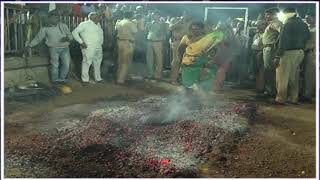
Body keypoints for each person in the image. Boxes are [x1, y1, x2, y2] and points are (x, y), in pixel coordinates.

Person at [274, 7, 310, 105]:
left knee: (283, 76)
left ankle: (280, 99)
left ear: (287, 14)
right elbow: (308, 37)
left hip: (288, 52)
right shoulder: (303, 24)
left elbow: (282, 41)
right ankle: (294, 98)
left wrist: (278, 56)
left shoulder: (287, 24)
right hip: (300, 52)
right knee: (294, 76)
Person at [26, 10, 73, 83]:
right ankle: (55, 80)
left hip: (65, 48)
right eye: (53, 17)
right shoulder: (45, 28)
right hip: (53, 48)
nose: (56, 19)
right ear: (49, 18)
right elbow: (38, 38)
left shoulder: (63, 26)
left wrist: (68, 38)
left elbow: (70, 35)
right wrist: (30, 45)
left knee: (66, 65)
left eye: (57, 17)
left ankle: (61, 78)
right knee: (55, 65)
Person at [179, 22, 224, 94]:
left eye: (197, 29)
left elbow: (217, 49)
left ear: (202, 30)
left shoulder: (208, 38)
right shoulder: (186, 37)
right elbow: (180, 49)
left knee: (202, 85)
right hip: (187, 64)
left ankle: (200, 100)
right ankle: (187, 100)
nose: (194, 31)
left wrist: (212, 59)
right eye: (192, 29)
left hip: (201, 64)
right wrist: (181, 60)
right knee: (188, 85)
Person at [72, 12, 104, 86]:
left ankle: (98, 78)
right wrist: (81, 42)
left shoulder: (98, 25)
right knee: (87, 62)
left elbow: (101, 35)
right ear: (93, 18)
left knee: (97, 63)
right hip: (88, 47)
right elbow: (74, 32)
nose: (100, 17)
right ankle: (85, 80)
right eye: (98, 16)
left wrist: (101, 43)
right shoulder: (85, 24)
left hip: (98, 46)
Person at [262, 7, 283, 98]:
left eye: (267, 14)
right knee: (268, 70)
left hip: (270, 49)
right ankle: (269, 90)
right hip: (267, 48)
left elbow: (282, 33)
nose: (266, 16)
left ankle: (271, 91)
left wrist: (275, 43)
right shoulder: (272, 23)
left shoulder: (276, 23)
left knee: (270, 70)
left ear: (273, 14)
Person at [169, 13, 193, 85]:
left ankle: (182, 79)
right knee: (176, 61)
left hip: (187, 43)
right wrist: (180, 21)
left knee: (185, 61)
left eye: (189, 14)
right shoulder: (175, 20)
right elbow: (171, 28)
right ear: (183, 13)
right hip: (177, 42)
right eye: (186, 13)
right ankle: (173, 79)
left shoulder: (191, 22)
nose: (187, 15)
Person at [115, 11, 138, 84]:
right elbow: (135, 31)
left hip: (119, 42)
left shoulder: (119, 22)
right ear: (131, 16)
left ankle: (122, 76)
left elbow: (116, 29)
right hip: (127, 43)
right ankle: (121, 79)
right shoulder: (130, 23)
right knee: (126, 61)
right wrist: (135, 24)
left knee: (120, 60)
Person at [145, 10, 166, 81]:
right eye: (153, 15)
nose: (153, 16)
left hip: (158, 42)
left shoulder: (162, 23)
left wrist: (162, 24)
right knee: (149, 59)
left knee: (158, 59)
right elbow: (146, 31)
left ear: (159, 16)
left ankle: (158, 75)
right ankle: (150, 74)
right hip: (149, 41)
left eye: (155, 15)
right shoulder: (149, 23)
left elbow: (165, 33)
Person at [301, 12, 316, 103]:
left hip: (312, 53)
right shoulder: (308, 27)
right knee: (305, 74)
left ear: (314, 17)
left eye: (309, 18)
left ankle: (307, 95)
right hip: (305, 52)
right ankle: (305, 93)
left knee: (309, 75)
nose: (307, 20)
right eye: (306, 18)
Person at [251, 20, 267, 97]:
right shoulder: (257, 34)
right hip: (254, 53)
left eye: (260, 25)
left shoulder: (266, 34)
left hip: (261, 53)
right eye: (257, 25)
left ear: (264, 25)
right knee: (256, 71)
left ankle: (261, 88)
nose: (258, 26)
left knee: (261, 71)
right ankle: (257, 87)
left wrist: (261, 52)